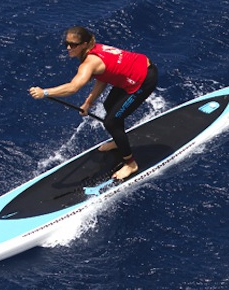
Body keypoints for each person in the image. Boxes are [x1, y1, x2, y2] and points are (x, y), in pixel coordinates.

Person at [29, 26, 158, 180]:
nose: (69, 48)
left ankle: (130, 164)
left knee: (111, 122)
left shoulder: (89, 63)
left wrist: (45, 92)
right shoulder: (94, 50)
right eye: (66, 44)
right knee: (109, 106)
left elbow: (73, 87)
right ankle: (119, 141)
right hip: (134, 72)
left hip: (143, 80)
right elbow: (103, 76)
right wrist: (88, 103)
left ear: (84, 44)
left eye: (73, 45)